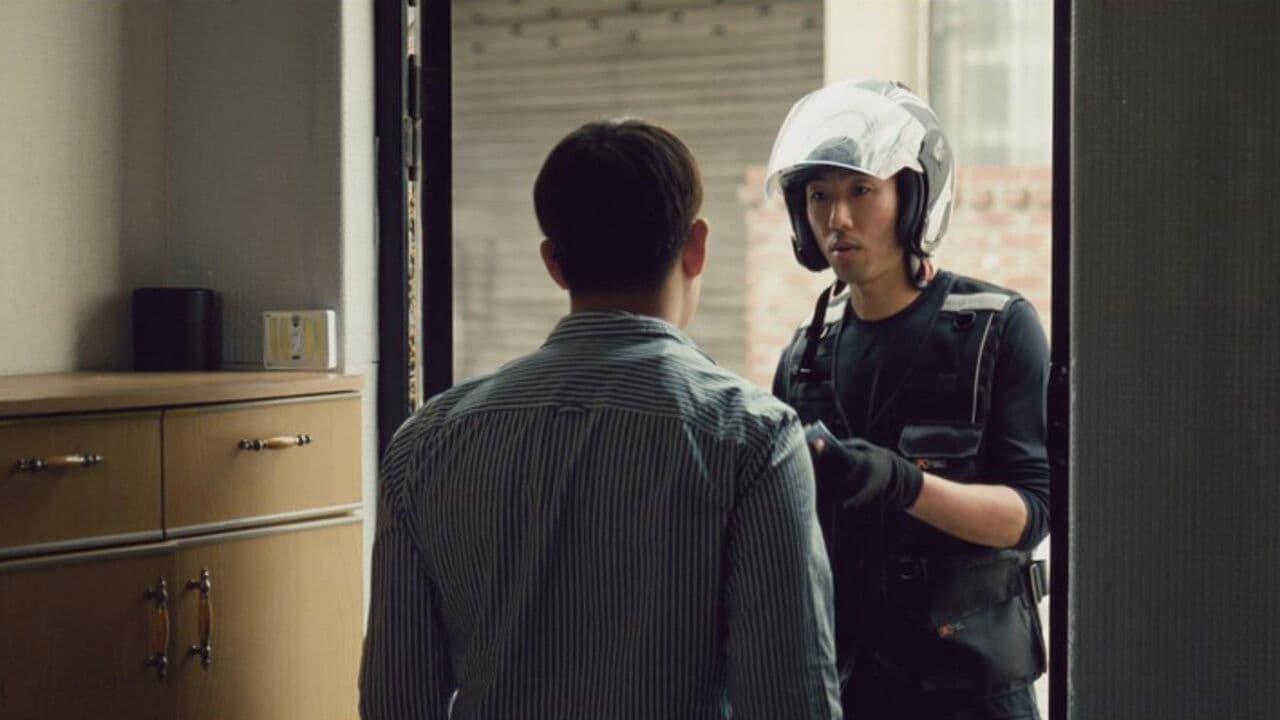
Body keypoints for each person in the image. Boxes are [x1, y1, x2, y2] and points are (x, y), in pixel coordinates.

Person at [360, 119, 842, 719]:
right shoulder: (753, 439)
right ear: (696, 247)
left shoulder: (426, 442)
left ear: (554, 263)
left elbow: (396, 702)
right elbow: (792, 703)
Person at [765, 79, 1051, 719]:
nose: (838, 219)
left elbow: (1030, 514)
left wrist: (905, 485)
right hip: (851, 689)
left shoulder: (996, 329)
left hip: (975, 693)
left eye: (861, 191)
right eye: (819, 196)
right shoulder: (804, 356)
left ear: (912, 197)